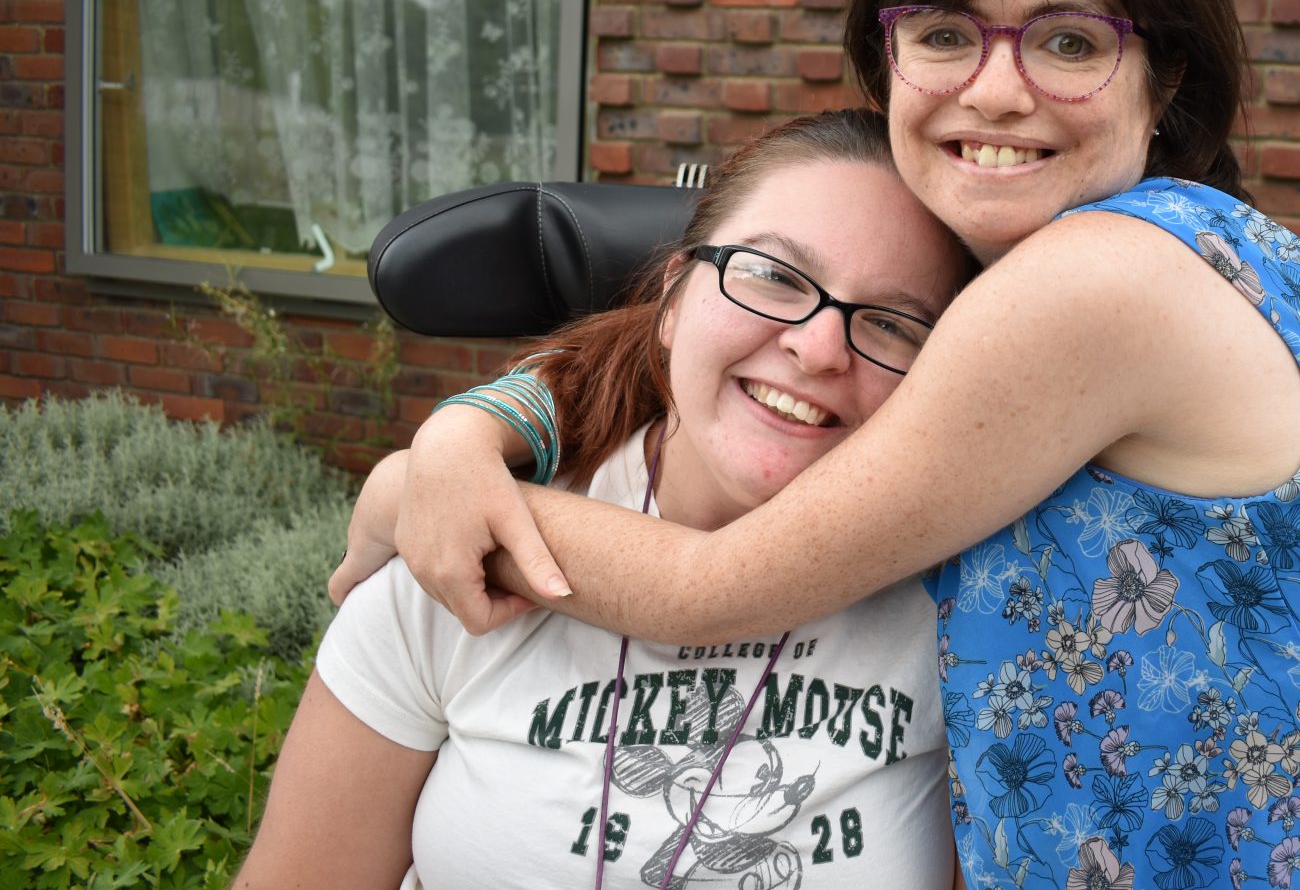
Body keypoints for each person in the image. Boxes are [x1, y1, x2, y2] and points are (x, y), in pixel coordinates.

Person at [341, 0, 1300, 888]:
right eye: (946, 33)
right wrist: (479, 424)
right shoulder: (1169, 256)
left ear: (1166, 79)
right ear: (887, 58)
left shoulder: (1093, 284)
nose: (996, 90)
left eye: (1069, 42)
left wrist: (413, 491)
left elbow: (709, 589)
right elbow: (682, 319)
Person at [239, 110, 973, 889]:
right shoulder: (449, 546)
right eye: (773, 276)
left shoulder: (966, 607)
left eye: (893, 324)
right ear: (673, 299)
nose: (818, 348)